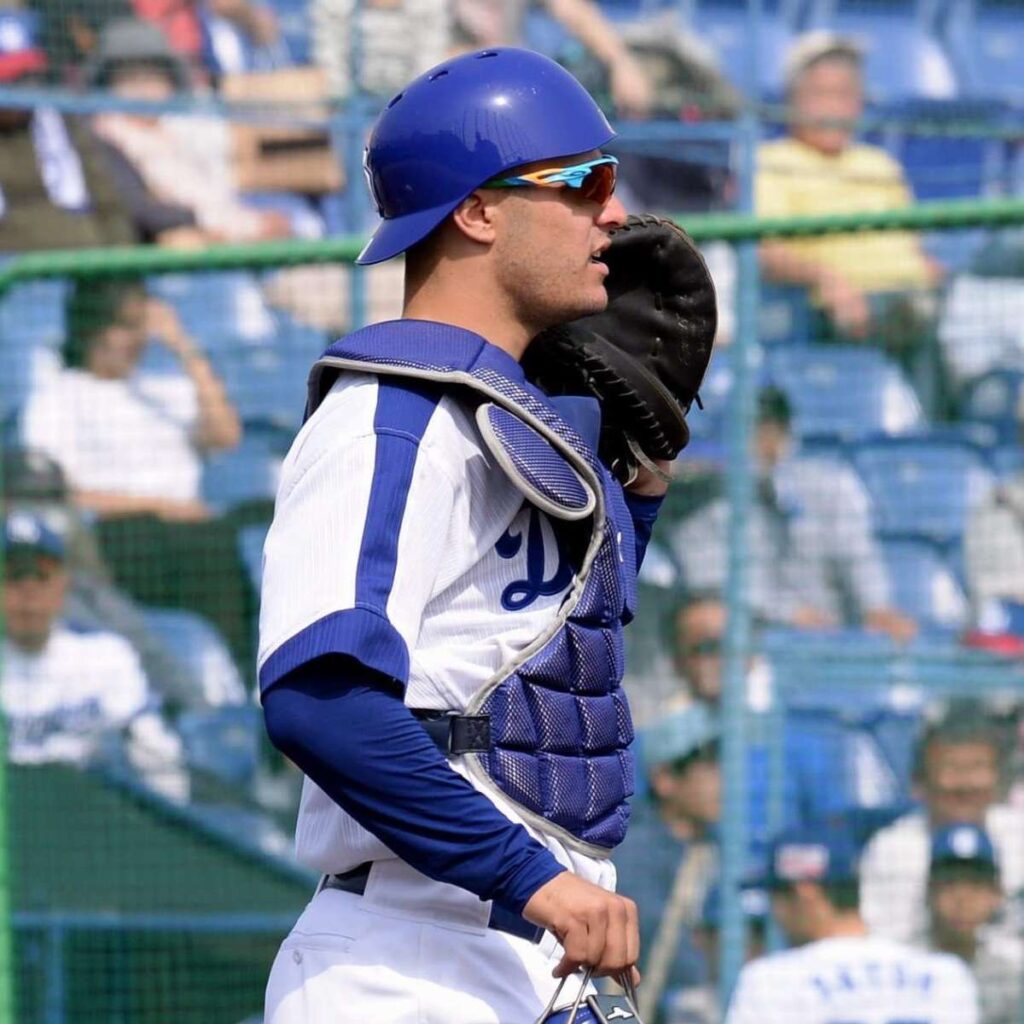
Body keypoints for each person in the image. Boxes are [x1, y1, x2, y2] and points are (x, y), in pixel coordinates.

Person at [258, 47, 680, 1024]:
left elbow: (542, 669)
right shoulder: (384, 420)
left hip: (536, 952)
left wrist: (641, 492)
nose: (612, 214)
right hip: (406, 959)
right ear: (477, 210)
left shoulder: (515, 425)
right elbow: (321, 702)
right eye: (583, 183)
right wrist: (534, 879)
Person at [20, 275, 254, 673]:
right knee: (205, 547)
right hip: (120, 539)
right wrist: (161, 507)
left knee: (261, 524)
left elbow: (226, 435)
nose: (137, 339)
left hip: (195, 530)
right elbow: (56, 493)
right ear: (92, 328)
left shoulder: (164, 389)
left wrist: (184, 348)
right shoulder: (58, 397)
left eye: (141, 325)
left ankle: (254, 684)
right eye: (125, 326)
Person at [755, 32, 943, 400]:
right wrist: (825, 277)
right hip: (836, 310)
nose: (833, 109)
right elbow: (766, 251)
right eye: (821, 95)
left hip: (916, 297)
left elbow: (916, 250)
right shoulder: (771, 160)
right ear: (794, 101)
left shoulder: (881, 164)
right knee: (917, 316)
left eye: (844, 95)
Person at [669, 387, 919, 640]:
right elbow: (712, 586)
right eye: (746, 428)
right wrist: (789, 614)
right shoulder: (701, 499)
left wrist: (875, 608)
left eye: (769, 426)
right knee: (708, 620)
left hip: (828, 638)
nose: (764, 441)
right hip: (749, 644)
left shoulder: (830, 486)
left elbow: (861, 563)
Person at [1, 511, 183, 793]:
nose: (29, 593)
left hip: (91, 820)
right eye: (14, 578)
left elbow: (158, 762)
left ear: (62, 584)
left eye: (41, 576)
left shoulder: (106, 658)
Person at [725, 825, 980, 1024]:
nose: (776, 913)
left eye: (777, 898)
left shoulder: (771, 981)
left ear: (806, 894)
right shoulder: (947, 974)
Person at [87, 18, 296, 247]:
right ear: (108, 87)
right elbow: (144, 211)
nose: (143, 91)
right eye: (130, 80)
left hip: (231, 236)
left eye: (152, 78)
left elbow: (219, 199)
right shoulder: (106, 136)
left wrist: (255, 224)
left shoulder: (180, 129)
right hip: (187, 255)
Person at [859, 705, 1024, 943]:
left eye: (977, 767)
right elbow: (881, 943)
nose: (965, 784)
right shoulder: (892, 849)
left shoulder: (1020, 834)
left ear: (998, 776)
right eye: (952, 768)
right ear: (920, 782)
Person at [0, 10, 134, 252]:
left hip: (85, 269)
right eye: (9, 82)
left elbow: (110, 207)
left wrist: (129, 284)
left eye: (27, 77)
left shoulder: (63, 120)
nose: (23, 91)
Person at [927, 823, 1024, 1024]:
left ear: (996, 894)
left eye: (975, 883)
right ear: (930, 892)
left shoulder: (1011, 974)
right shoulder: (907, 964)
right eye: (950, 882)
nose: (962, 898)